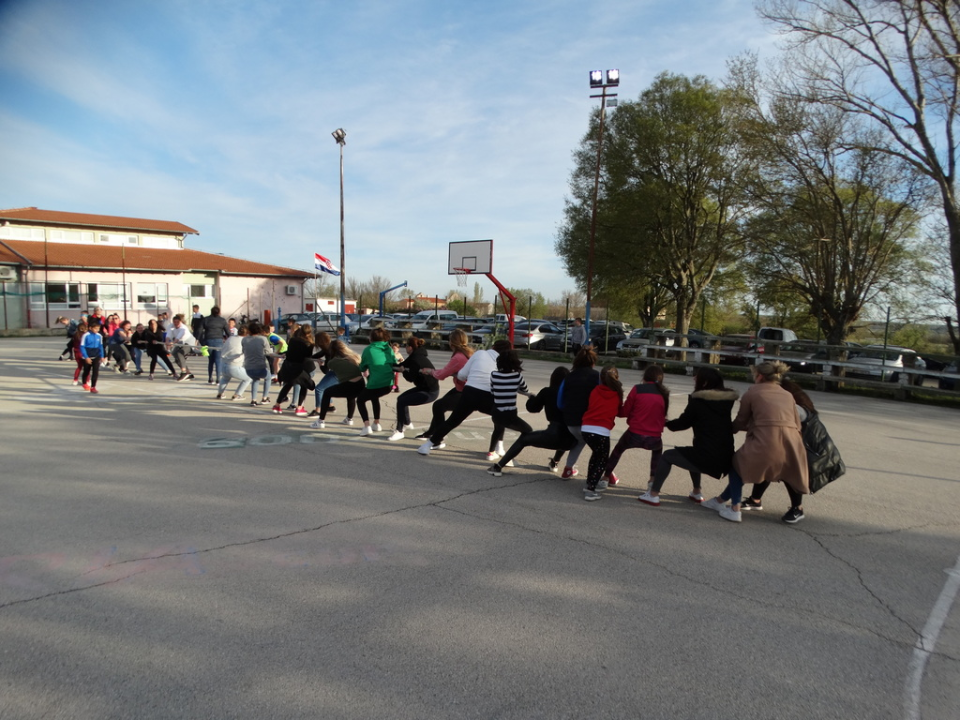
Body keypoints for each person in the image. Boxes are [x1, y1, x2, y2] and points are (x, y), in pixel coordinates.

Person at [701, 361, 809, 524]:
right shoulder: (787, 394)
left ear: (759, 376)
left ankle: (734, 509)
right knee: (788, 470)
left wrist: (728, 429)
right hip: (793, 440)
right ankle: (720, 500)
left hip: (767, 439)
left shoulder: (753, 392)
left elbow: (741, 421)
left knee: (737, 466)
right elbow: (797, 422)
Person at [638, 367, 738, 507]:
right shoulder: (726, 402)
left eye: (697, 377)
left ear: (704, 383)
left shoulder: (699, 401)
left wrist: (665, 423)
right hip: (725, 455)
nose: (694, 379)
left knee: (667, 456)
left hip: (708, 456)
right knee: (691, 453)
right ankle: (696, 492)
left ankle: (653, 494)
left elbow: (683, 423)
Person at [417, 339, 513, 457]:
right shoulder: (506, 362)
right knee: (500, 417)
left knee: (452, 421)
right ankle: (497, 448)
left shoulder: (480, 353)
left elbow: (462, 375)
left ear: (493, 346)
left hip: (470, 392)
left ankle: (427, 446)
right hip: (489, 395)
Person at [487, 367, 577, 476]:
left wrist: (532, 398)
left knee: (524, 439)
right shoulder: (573, 393)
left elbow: (532, 408)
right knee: (564, 433)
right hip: (572, 439)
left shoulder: (547, 391)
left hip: (552, 435)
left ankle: (498, 466)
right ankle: (554, 463)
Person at [604, 364, 670, 492]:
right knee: (657, 453)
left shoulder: (637, 389)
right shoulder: (664, 393)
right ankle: (652, 480)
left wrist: (615, 409)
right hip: (654, 436)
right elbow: (663, 416)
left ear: (644, 377)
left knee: (618, 450)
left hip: (635, 433)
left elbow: (625, 411)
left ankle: (606, 477)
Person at [418, 328, 474, 440]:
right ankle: (431, 432)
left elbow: (441, 375)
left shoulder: (458, 357)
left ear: (452, 342)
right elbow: (447, 371)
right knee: (440, 406)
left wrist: (429, 371)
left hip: (467, 392)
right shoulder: (468, 353)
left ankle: (438, 438)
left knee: (438, 406)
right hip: (464, 388)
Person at [580, 365, 624, 501]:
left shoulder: (595, 390)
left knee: (596, 456)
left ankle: (590, 481)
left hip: (586, 428)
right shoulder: (617, 394)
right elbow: (619, 411)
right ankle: (591, 489)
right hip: (601, 431)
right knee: (602, 460)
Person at [556, 347, 600, 478]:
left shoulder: (568, 377)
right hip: (590, 421)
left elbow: (560, 402)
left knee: (580, 441)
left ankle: (568, 468)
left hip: (571, 422)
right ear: (593, 362)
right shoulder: (597, 377)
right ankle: (608, 474)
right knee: (600, 450)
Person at [388, 337, 439, 441]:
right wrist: (387, 365)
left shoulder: (416, 360)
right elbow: (400, 366)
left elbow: (410, 378)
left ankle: (399, 431)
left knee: (402, 401)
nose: (405, 348)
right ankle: (407, 423)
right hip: (423, 388)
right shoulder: (415, 356)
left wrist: (403, 371)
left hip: (429, 392)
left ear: (410, 347)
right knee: (401, 398)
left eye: (406, 346)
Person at [311, 340, 364, 428]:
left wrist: (321, 365)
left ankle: (321, 421)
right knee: (351, 396)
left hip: (348, 385)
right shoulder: (355, 357)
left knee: (327, 392)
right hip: (360, 384)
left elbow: (326, 371)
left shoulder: (333, 362)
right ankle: (349, 419)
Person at [357, 327, 396, 436]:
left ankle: (366, 426)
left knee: (360, 400)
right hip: (389, 384)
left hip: (375, 383)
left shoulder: (369, 349)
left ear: (372, 338)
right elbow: (394, 362)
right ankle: (376, 423)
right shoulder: (388, 348)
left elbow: (362, 368)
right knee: (374, 397)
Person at [272, 325, 316, 416]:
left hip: (288, 365)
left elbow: (290, 352)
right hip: (299, 367)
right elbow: (307, 357)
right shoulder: (308, 343)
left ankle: (277, 405)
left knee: (288, 385)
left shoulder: (293, 340)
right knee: (304, 385)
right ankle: (300, 407)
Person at [242, 321, 273, 406]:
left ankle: (253, 400)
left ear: (249, 331)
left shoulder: (244, 339)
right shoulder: (262, 339)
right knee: (268, 378)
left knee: (255, 380)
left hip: (248, 367)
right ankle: (265, 398)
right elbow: (268, 352)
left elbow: (243, 351)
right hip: (260, 366)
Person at [217, 326, 252, 400]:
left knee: (225, 378)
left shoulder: (231, 338)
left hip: (223, 364)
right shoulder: (245, 341)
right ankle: (237, 394)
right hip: (233, 366)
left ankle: (220, 393)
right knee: (249, 378)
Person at [200, 306, 229, 385]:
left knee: (211, 361)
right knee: (218, 361)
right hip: (219, 341)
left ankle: (210, 378)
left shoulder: (205, 320)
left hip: (208, 341)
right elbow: (228, 332)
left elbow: (199, 331)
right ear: (219, 312)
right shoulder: (222, 320)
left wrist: (202, 342)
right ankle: (218, 379)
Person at [165, 314, 197, 380]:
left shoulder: (183, 328)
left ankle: (184, 372)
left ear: (180, 322)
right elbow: (169, 335)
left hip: (188, 342)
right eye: (175, 322)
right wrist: (167, 341)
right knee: (175, 355)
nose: (176, 324)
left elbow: (178, 337)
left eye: (177, 322)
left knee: (180, 353)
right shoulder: (170, 326)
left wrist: (173, 343)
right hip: (180, 342)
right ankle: (188, 373)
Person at [78, 319, 105, 393]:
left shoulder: (99, 336)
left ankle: (93, 387)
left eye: (98, 328)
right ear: (90, 328)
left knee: (95, 372)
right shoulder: (85, 335)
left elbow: (101, 346)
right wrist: (86, 357)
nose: (97, 330)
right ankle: (84, 383)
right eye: (96, 328)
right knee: (86, 371)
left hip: (96, 355)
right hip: (87, 355)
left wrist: (102, 356)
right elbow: (82, 346)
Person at [69, 321, 88, 385]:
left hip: (77, 352)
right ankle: (87, 380)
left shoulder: (75, 334)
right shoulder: (85, 335)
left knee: (79, 367)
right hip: (83, 352)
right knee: (86, 367)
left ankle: (75, 380)